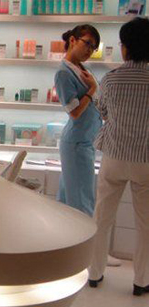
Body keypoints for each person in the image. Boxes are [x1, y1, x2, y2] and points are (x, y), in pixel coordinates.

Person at [88, 17, 149, 296]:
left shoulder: (111, 79)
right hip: (145, 159)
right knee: (145, 224)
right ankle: (141, 281)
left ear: (125, 48)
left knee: (102, 217)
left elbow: (103, 111)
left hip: (114, 156)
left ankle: (94, 273)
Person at [54, 24, 102, 217]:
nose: (90, 50)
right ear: (72, 40)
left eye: (93, 47)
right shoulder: (63, 73)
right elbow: (74, 112)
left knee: (69, 200)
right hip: (77, 143)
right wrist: (92, 89)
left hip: (85, 140)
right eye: (87, 43)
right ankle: (82, 237)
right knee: (81, 204)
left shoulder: (82, 68)